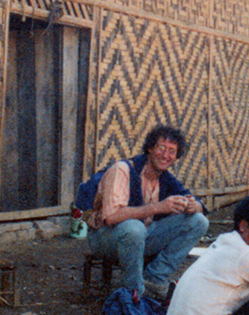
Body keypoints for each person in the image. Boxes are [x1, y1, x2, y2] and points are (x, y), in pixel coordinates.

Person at [87, 125, 208, 299]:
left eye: (172, 152)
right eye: (161, 148)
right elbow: (111, 217)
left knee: (198, 221)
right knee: (134, 228)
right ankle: (133, 292)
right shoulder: (124, 169)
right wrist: (158, 207)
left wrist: (193, 206)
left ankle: (154, 280)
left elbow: (196, 201)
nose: (165, 155)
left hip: (141, 236)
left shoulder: (165, 178)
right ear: (150, 148)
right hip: (105, 237)